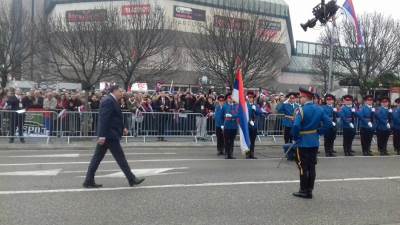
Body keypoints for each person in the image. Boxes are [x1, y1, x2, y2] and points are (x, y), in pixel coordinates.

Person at [83, 85, 145, 188]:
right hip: (109, 135)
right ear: (114, 91)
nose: (121, 93)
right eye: (120, 91)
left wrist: (123, 127)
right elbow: (104, 119)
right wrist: (102, 136)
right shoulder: (108, 100)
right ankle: (131, 179)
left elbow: (115, 117)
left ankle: (88, 180)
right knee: (120, 158)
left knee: (97, 158)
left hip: (109, 134)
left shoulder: (112, 100)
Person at [291, 87, 331, 199]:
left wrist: (295, 137)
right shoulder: (319, 109)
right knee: (312, 167)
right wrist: (319, 131)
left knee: (303, 167)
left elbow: (296, 125)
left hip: (303, 142)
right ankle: (310, 190)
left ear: (305, 97)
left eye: (300, 97)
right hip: (314, 141)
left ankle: (303, 190)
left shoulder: (301, 110)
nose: (299, 99)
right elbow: (329, 124)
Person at [220, 93, 239, 159]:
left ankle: (230, 154)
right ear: (227, 99)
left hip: (234, 126)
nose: (230, 99)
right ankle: (227, 153)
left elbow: (238, 115)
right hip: (227, 126)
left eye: (231, 98)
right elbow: (221, 116)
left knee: (232, 141)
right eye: (229, 98)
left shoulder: (236, 106)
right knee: (226, 141)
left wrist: (232, 116)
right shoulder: (224, 106)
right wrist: (222, 125)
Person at [246, 91, 264, 159]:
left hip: (254, 125)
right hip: (247, 125)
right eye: (249, 97)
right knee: (247, 140)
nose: (250, 98)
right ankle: (247, 154)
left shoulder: (256, 105)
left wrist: (255, 109)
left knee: (253, 141)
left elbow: (260, 113)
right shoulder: (245, 105)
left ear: (253, 98)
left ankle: (252, 154)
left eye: (252, 97)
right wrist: (249, 121)